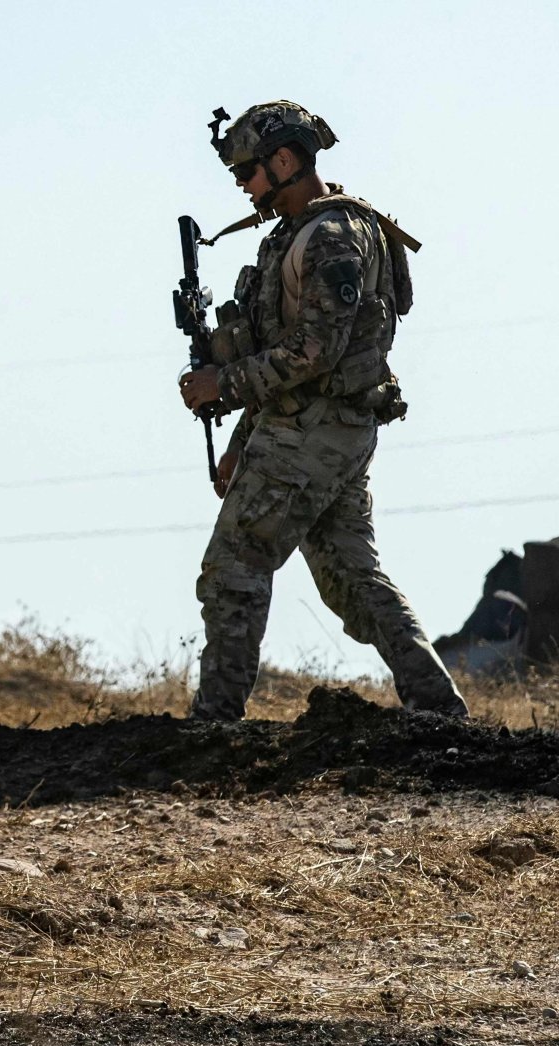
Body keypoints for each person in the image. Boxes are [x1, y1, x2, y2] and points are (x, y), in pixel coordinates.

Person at [177, 101, 467, 721]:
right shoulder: (305, 231)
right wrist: (240, 440)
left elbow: (314, 351)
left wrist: (222, 385)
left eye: (248, 173)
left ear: (284, 160)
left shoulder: (331, 237)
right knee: (351, 580)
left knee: (234, 567)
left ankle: (213, 724)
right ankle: (440, 710)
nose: (244, 187)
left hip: (311, 434)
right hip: (324, 431)